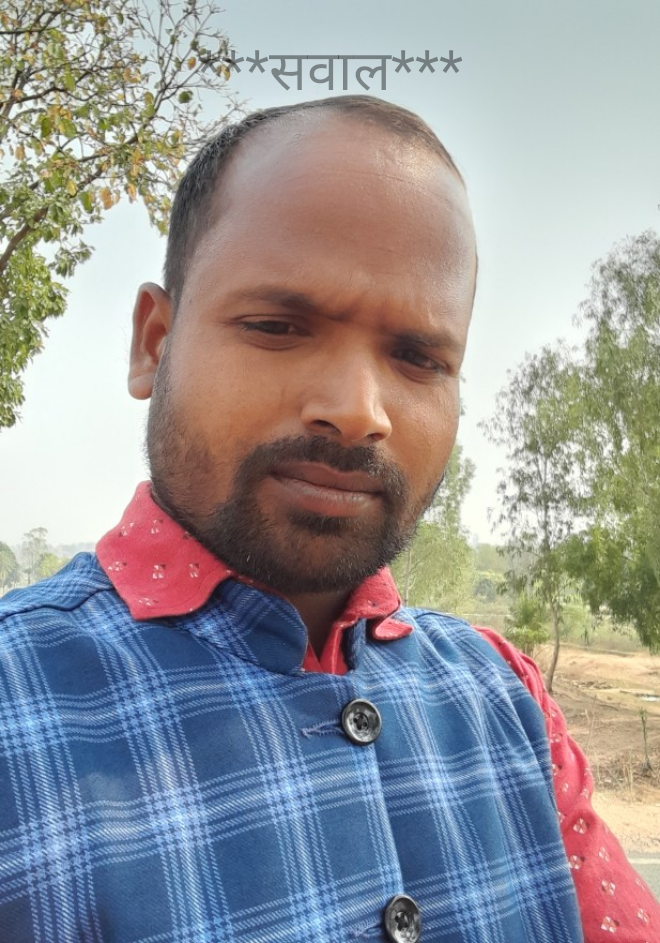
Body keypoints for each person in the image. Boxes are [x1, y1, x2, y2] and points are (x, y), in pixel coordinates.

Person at [0, 95, 657, 943]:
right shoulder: (17, 699)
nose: (357, 411)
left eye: (418, 356)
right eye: (278, 326)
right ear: (154, 343)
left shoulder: (504, 700)